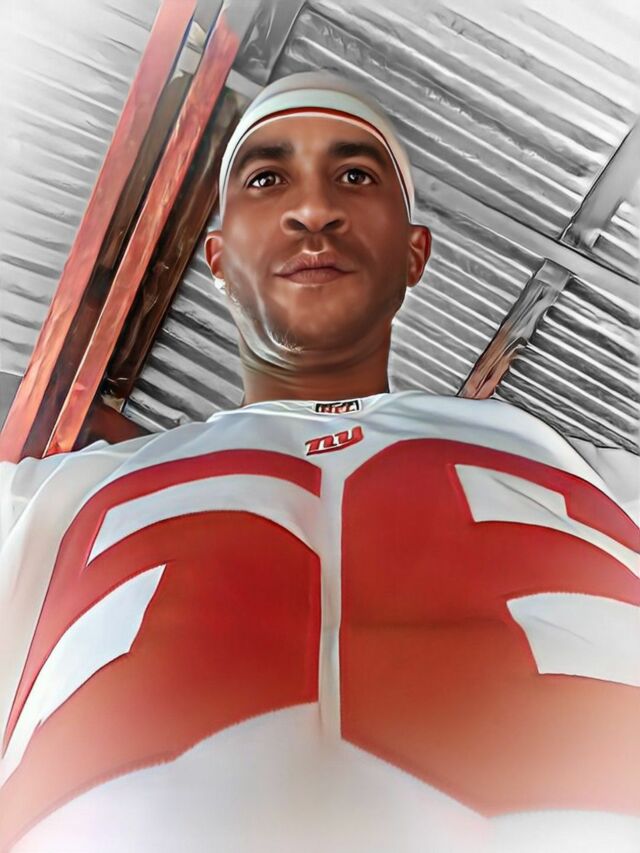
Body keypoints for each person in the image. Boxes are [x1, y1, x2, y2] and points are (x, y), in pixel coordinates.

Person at [0, 72, 637, 853]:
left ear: (414, 252)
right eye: (267, 179)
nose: (314, 210)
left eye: (356, 176)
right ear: (216, 257)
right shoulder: (45, 501)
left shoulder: (601, 478)